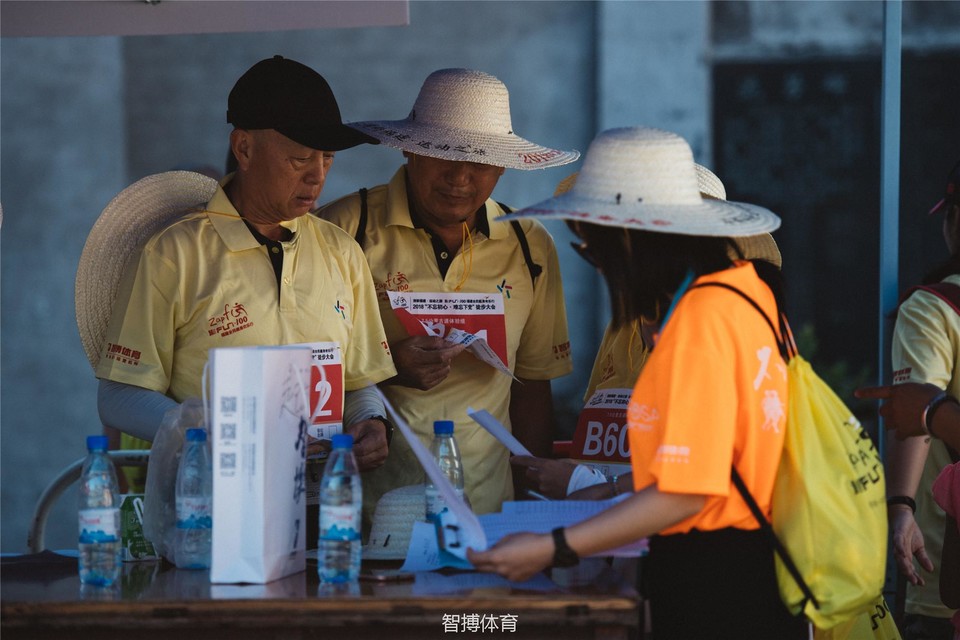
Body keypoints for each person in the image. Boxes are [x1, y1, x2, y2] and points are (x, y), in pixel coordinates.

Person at [467, 126, 807, 639]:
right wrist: (587, 501)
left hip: (717, 582)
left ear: (627, 239)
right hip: (757, 565)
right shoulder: (747, 295)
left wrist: (552, 545)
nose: (593, 258)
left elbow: (686, 492)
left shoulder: (699, 320)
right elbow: (705, 462)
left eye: (590, 243)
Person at [90, 56, 397, 471]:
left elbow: (359, 381)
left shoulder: (342, 252)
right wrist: (221, 433)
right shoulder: (174, 253)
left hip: (322, 508)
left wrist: (370, 420)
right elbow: (119, 395)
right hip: (211, 511)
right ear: (245, 148)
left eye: (327, 158)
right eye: (300, 158)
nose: (317, 176)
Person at [319, 68, 578, 529]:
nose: (460, 177)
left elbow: (533, 386)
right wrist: (391, 366)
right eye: (442, 155)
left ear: (503, 166)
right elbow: (303, 371)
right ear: (409, 149)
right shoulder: (344, 230)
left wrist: (530, 515)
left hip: (488, 516)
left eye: (481, 160)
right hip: (365, 517)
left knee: (480, 610)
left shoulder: (529, 244)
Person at [512, 168, 783, 500]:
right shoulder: (625, 324)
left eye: (600, 249)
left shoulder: (714, 319)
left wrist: (591, 493)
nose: (600, 266)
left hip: (703, 536)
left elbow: (693, 474)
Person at [864, 159, 960, 640]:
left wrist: (900, 507)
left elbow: (915, 413)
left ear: (954, 222)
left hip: (946, 572)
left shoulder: (933, 308)